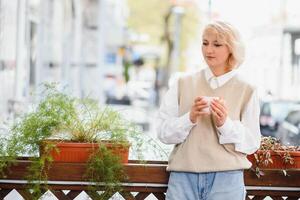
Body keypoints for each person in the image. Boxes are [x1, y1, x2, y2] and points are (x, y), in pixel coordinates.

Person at [156, 21, 261, 200]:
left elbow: (252, 143)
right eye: (205, 43)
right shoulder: (183, 83)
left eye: (217, 44)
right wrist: (189, 118)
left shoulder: (247, 89)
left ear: (231, 48)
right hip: (183, 177)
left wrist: (224, 124)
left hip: (227, 179)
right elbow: (163, 133)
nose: (208, 50)